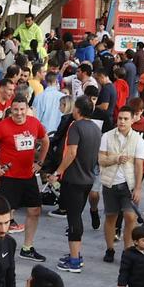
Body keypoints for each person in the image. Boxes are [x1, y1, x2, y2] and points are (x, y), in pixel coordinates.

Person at [0, 96, 47, 259]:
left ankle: (27, 248)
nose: (19, 113)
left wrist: (40, 162)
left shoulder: (34, 123)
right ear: (10, 110)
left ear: (27, 109)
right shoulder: (3, 125)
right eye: (15, 110)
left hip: (28, 176)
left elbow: (45, 139)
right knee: (3, 215)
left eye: (22, 109)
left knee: (35, 210)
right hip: (10, 177)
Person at [50, 93, 101, 273]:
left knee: (73, 219)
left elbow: (71, 153)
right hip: (88, 178)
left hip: (74, 179)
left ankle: (74, 260)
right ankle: (75, 254)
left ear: (77, 110)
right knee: (76, 215)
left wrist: (57, 172)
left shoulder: (75, 126)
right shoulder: (95, 128)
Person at [99, 104, 144, 263]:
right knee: (110, 217)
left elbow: (139, 165)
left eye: (125, 119)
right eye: (120, 118)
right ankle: (110, 248)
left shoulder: (138, 140)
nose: (122, 122)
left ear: (133, 120)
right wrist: (116, 158)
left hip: (129, 184)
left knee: (130, 217)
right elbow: (101, 160)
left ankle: (127, 251)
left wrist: (139, 188)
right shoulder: (107, 136)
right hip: (110, 183)